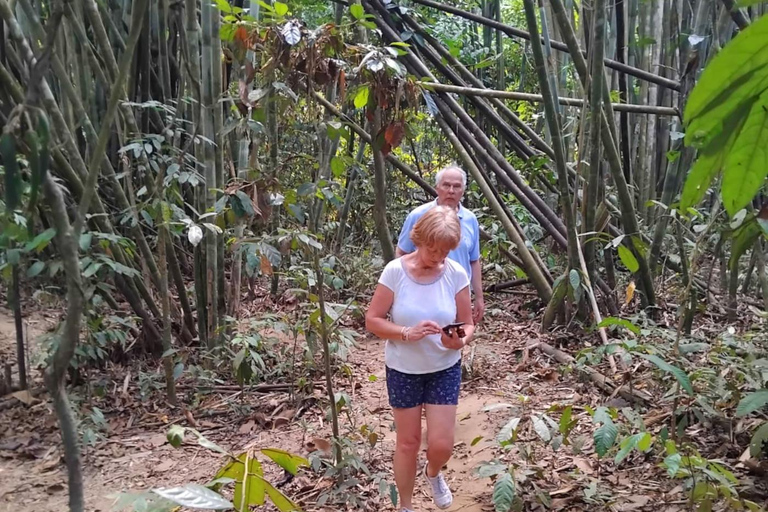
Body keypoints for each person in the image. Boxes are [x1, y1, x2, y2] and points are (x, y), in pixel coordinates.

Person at [366, 206, 476, 512]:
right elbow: (373, 320)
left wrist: (458, 340)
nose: (438, 256)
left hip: (444, 367)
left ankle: (433, 473)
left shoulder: (455, 273)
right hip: (403, 370)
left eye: (444, 251)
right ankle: (406, 505)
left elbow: (468, 323)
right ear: (418, 239)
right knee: (408, 442)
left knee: (441, 445)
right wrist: (405, 332)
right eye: (432, 248)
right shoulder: (395, 271)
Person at [396, 165, 484, 323]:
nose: (451, 190)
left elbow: (474, 260)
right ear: (437, 188)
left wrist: (479, 298)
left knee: (455, 337)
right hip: (423, 290)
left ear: (463, 190)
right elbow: (401, 253)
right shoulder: (419, 215)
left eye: (456, 186)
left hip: (458, 292)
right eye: (446, 185)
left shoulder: (471, 219)